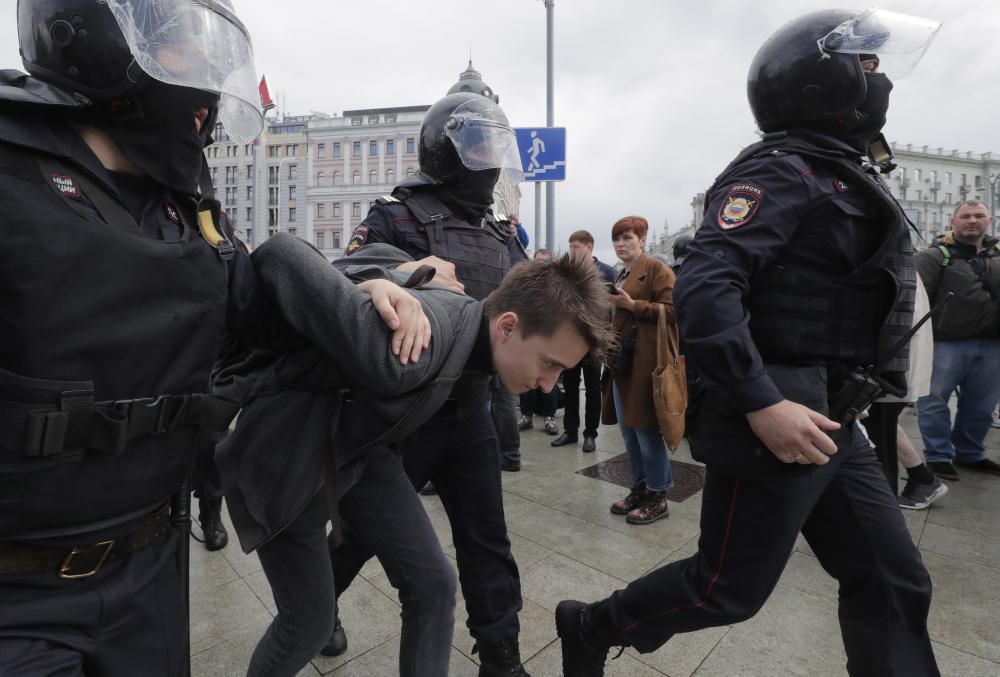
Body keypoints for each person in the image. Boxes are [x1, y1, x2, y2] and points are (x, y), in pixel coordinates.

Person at [555, 10, 942, 676]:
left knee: (893, 577)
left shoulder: (840, 171)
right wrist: (762, 401)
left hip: (834, 418)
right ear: (825, 80)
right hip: (776, 416)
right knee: (726, 588)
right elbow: (706, 289)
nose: (880, 81)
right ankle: (591, 624)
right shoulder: (782, 170)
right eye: (868, 65)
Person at [0, 0, 280, 674]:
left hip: (150, 575)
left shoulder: (185, 204)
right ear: (89, 31)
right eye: (179, 45)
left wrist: (377, 282)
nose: (205, 83)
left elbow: (264, 312)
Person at [217, 237, 611, 676]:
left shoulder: (469, 324)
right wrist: (376, 284)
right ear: (506, 326)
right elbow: (280, 254)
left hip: (356, 449)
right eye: (551, 364)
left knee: (434, 585)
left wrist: (392, 276)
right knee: (307, 625)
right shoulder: (410, 352)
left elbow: (381, 260)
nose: (548, 385)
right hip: (286, 461)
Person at [336, 92, 533, 675]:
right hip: (404, 412)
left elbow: (528, 303)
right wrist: (401, 272)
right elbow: (345, 277)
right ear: (445, 149)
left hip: (471, 407)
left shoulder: (501, 233)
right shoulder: (396, 215)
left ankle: (500, 652)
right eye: (475, 144)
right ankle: (316, 608)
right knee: (358, 538)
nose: (486, 157)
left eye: (493, 145)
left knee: (486, 539)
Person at [915, 200, 1000, 481]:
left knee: (981, 405)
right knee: (935, 400)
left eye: (979, 216)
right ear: (953, 221)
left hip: (991, 344)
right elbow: (916, 300)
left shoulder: (996, 255)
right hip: (945, 343)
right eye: (965, 216)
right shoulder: (935, 255)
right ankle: (938, 456)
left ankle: (970, 453)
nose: (972, 221)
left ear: (989, 220)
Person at [599, 217, 676, 523]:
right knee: (629, 433)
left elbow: (674, 311)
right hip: (622, 364)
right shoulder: (621, 274)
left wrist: (634, 306)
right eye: (617, 239)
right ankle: (640, 488)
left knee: (646, 431)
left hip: (646, 364)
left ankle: (658, 495)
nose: (621, 244)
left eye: (627, 238)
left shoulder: (657, 269)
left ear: (643, 240)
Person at [551, 230, 618, 452]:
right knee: (569, 387)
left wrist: (605, 337)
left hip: (594, 341)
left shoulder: (606, 272)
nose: (572, 251)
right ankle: (570, 431)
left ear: (589, 247)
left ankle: (590, 434)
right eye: (570, 247)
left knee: (592, 389)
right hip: (569, 340)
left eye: (576, 247)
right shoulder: (566, 270)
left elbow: (612, 307)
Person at [519, 249, 560, 435]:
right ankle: (526, 416)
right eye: (538, 261)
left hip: (549, 341)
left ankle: (549, 418)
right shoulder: (525, 284)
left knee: (548, 381)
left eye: (545, 261)